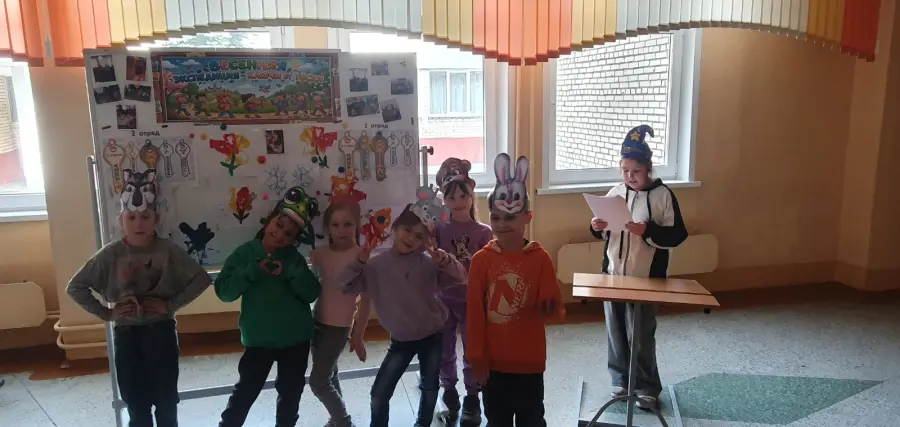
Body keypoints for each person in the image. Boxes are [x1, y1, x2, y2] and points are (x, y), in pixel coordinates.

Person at [67, 168, 212, 427]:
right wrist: (107, 313)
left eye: (145, 217)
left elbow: (201, 279)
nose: (138, 223)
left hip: (161, 332)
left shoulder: (168, 251)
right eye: (131, 217)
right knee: (136, 403)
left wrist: (170, 305)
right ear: (121, 219)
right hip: (127, 334)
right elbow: (75, 287)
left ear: (156, 219)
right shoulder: (110, 255)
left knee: (166, 402)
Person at [339, 186, 467, 427]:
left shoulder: (429, 264)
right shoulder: (376, 266)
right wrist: (359, 261)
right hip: (401, 340)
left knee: (430, 387)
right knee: (379, 394)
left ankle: (422, 424)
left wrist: (442, 258)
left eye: (419, 236)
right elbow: (344, 285)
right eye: (407, 230)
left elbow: (461, 276)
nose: (411, 238)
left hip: (433, 334)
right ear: (396, 227)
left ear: (426, 241)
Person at [589, 125, 688, 410]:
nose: (630, 177)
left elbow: (677, 235)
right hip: (613, 275)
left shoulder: (663, 196)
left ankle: (646, 386)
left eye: (636, 171)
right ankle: (620, 379)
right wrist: (596, 226)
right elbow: (604, 233)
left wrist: (647, 230)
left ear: (648, 169)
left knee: (641, 334)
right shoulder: (615, 192)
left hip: (646, 277)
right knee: (616, 330)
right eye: (625, 171)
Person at [466, 153, 564, 427]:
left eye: (510, 217)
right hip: (493, 364)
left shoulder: (540, 258)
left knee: (531, 419)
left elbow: (554, 309)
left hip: (529, 362)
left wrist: (550, 309)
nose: (502, 224)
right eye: (496, 217)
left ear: (528, 218)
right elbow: (474, 313)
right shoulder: (481, 261)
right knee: (497, 420)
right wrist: (477, 358)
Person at [214, 187, 323, 427]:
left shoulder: (294, 259)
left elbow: (312, 293)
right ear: (269, 219)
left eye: (289, 233)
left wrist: (291, 273)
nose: (280, 234)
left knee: (291, 394)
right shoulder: (246, 253)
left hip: (295, 340)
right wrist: (252, 270)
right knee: (245, 391)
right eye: (278, 225)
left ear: (295, 239)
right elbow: (224, 292)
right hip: (258, 341)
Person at [433, 158, 493, 423]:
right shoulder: (438, 230)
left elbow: (487, 269)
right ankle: (449, 390)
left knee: (473, 350)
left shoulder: (483, 232)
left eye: (463, 196)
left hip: (472, 301)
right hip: (443, 300)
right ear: (444, 200)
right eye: (451, 197)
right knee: (444, 350)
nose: (458, 202)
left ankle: (472, 396)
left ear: (471, 197)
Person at [308, 202, 372, 427]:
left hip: (339, 327)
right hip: (316, 321)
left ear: (357, 225)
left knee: (318, 382)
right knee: (329, 374)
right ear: (327, 227)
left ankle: (344, 423)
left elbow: (366, 300)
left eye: (347, 224)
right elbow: (312, 287)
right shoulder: (320, 254)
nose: (341, 230)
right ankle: (336, 420)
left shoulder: (361, 256)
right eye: (335, 225)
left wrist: (358, 334)